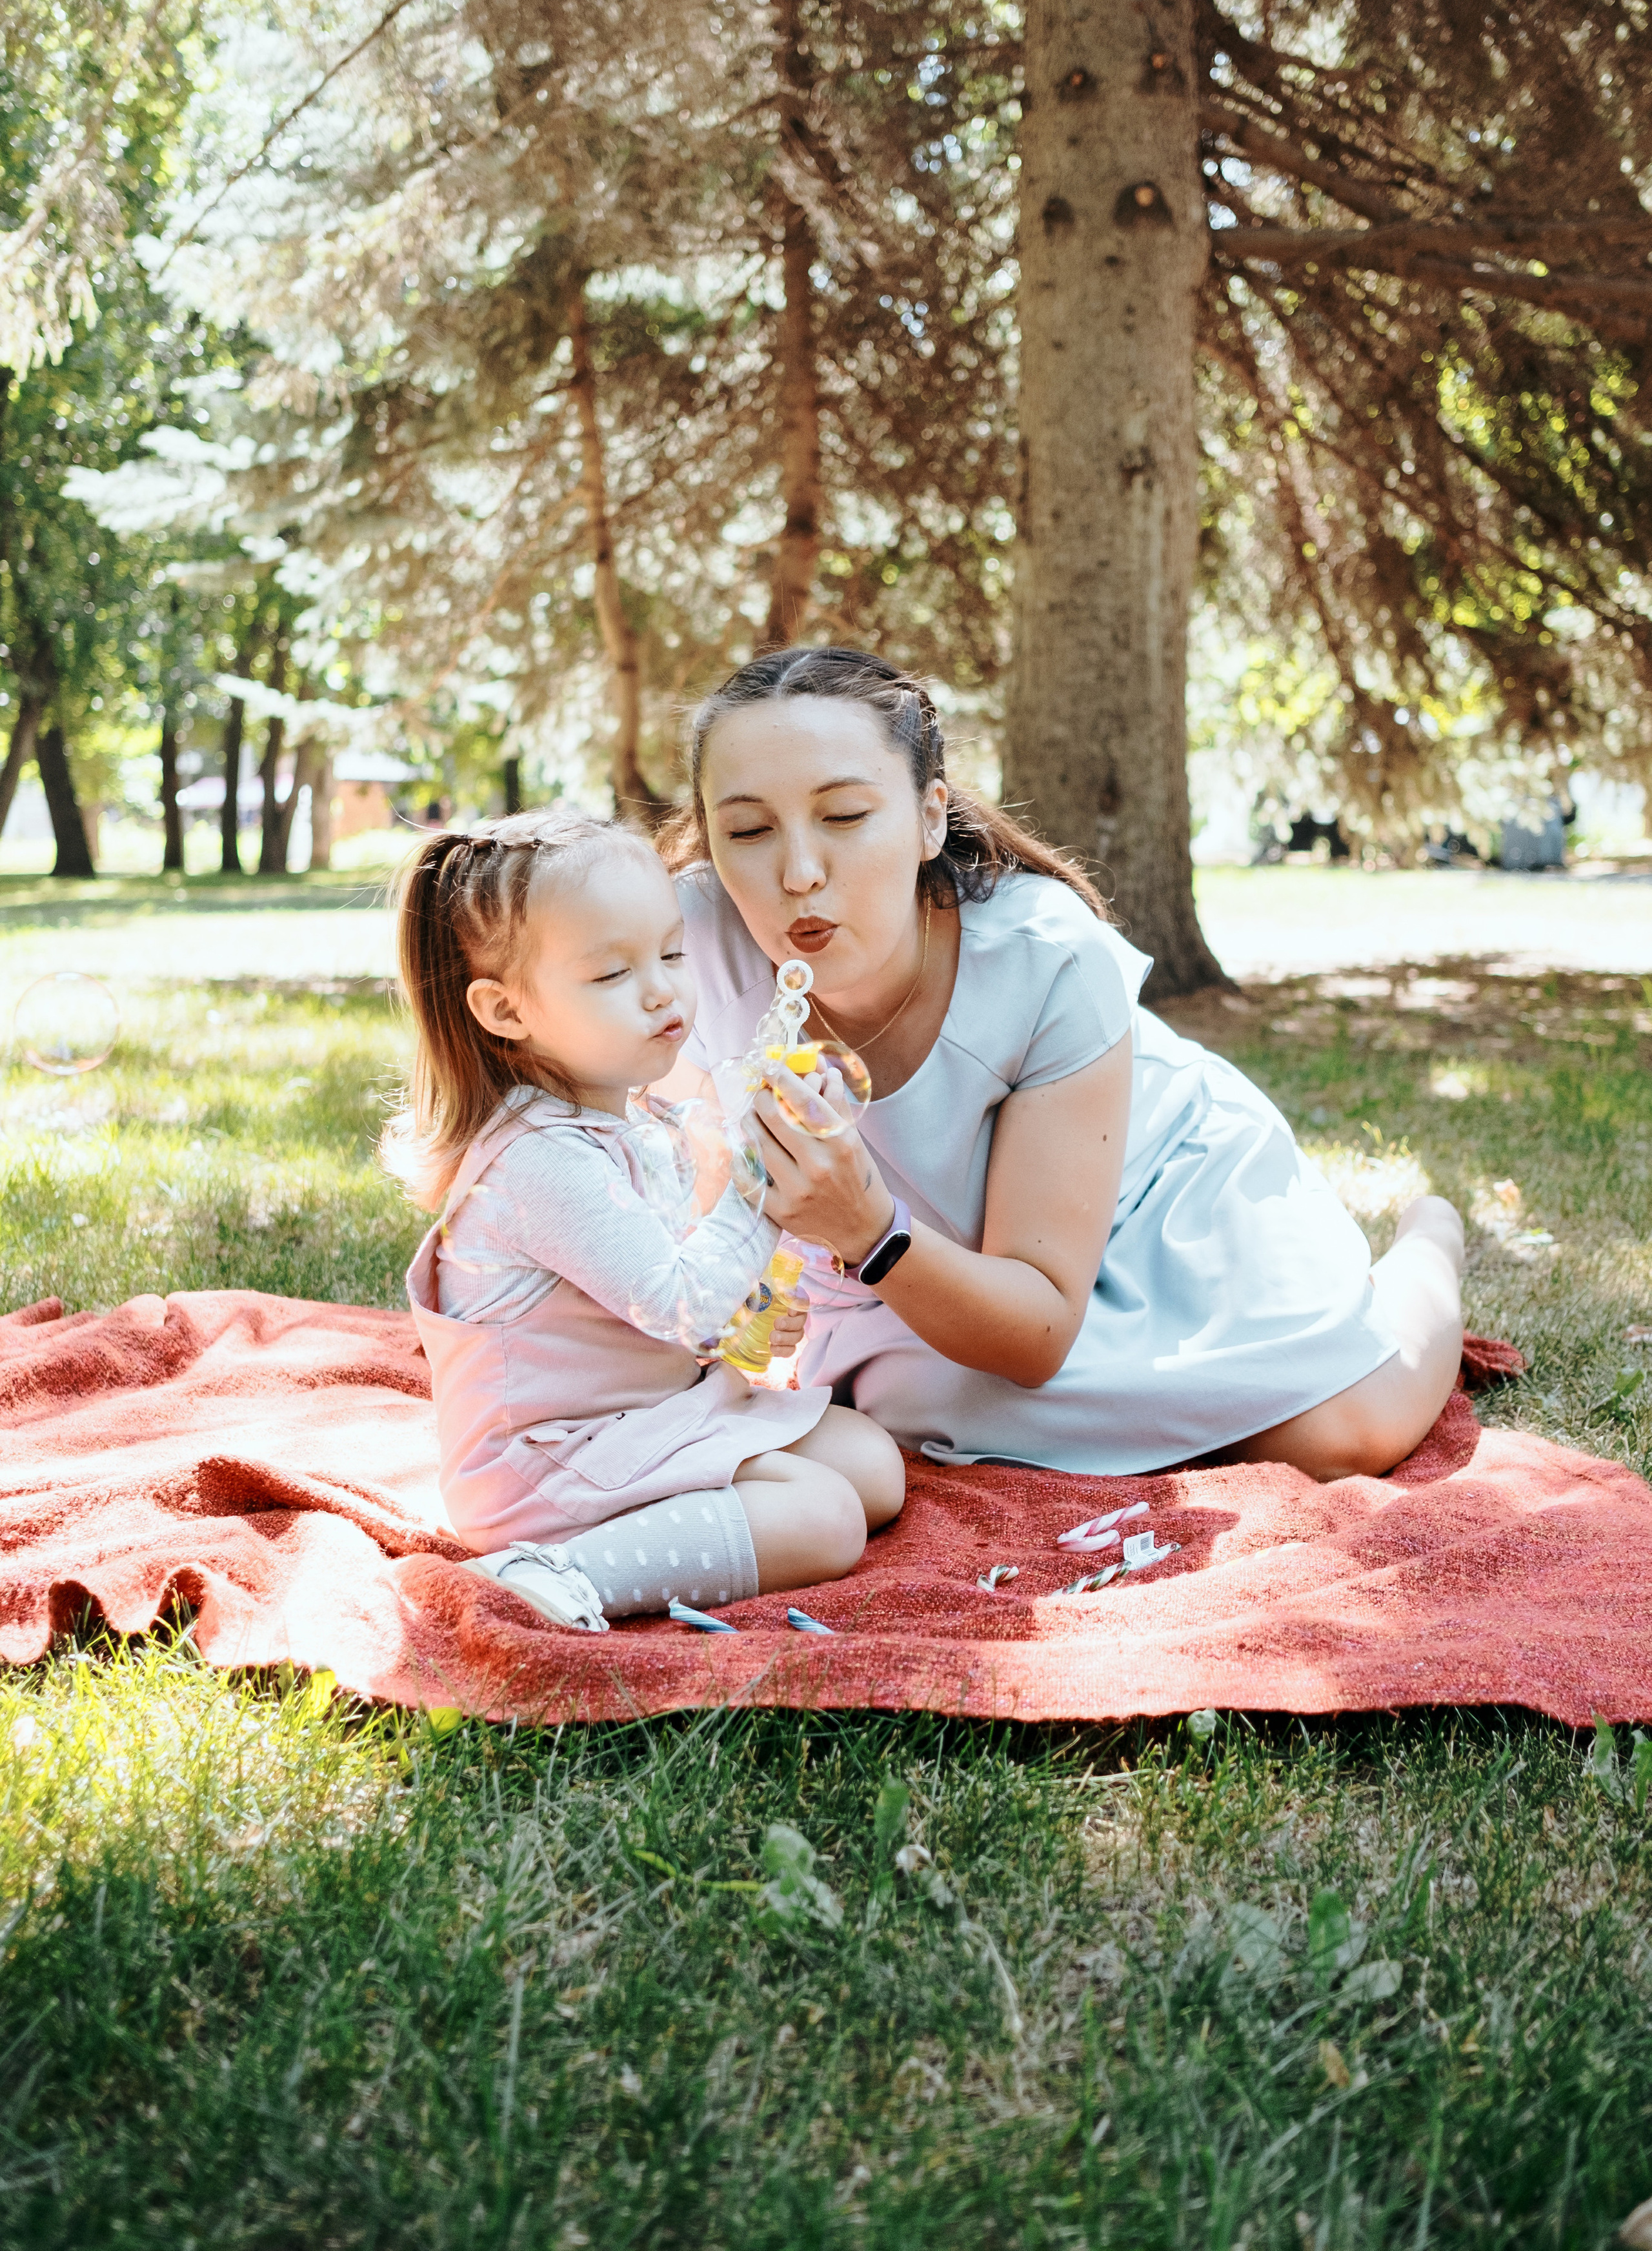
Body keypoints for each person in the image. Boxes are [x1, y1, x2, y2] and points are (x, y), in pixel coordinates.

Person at [661, 647, 1465, 1486]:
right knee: (921, 1402)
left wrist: (867, 1228)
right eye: (748, 831)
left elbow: (1036, 1331)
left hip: (1155, 1195)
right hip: (910, 1269)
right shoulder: (676, 950)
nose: (798, 874)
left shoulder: (1047, 958)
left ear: (930, 817)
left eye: (844, 815)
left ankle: (1430, 1238)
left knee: (1348, 1432)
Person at [383, 809, 905, 1632]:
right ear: (506, 1011)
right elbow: (682, 1306)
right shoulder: (539, 1160)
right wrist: (760, 1180)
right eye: (612, 974)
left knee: (872, 1466)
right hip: (551, 1463)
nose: (662, 990)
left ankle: (672, 1524)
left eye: (671, 953)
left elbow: (686, 1282)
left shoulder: (632, 1114)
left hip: (649, 1415)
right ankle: (558, 1570)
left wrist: (755, 1298)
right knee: (827, 1519)